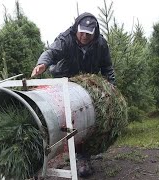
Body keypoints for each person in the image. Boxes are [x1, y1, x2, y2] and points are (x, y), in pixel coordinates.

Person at [30, 12, 116, 177]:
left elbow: (107, 67)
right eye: (81, 32)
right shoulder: (66, 39)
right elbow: (51, 52)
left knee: (84, 120)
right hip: (64, 82)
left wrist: (111, 86)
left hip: (84, 86)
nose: (84, 36)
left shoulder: (100, 45)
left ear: (94, 33)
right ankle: (46, 150)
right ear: (76, 28)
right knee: (62, 119)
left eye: (88, 34)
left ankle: (82, 157)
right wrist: (42, 64)